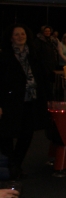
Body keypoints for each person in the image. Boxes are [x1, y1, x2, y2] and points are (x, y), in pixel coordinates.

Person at [0, 25, 53, 179]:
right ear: (11, 38)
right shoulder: (4, 56)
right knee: (6, 135)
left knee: (27, 134)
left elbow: (42, 78)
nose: (20, 37)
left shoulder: (34, 55)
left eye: (22, 34)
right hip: (10, 102)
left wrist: (48, 98)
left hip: (31, 101)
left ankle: (16, 165)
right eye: (16, 34)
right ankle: (10, 165)